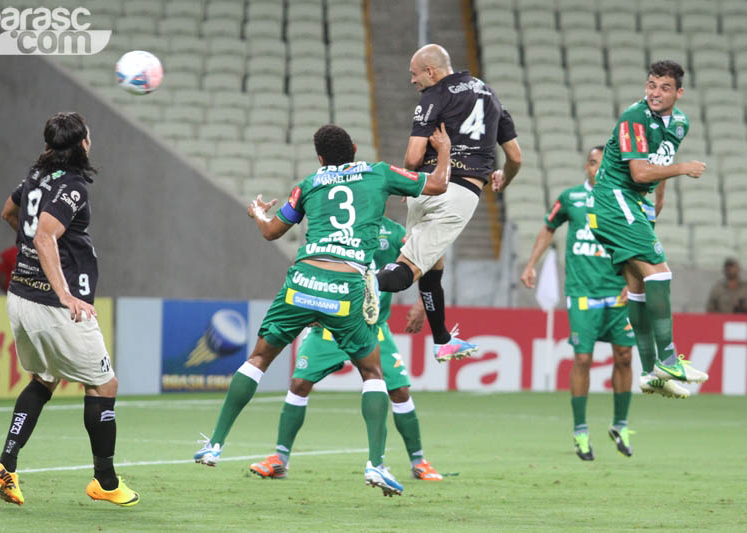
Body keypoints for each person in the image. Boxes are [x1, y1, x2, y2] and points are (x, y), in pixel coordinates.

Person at [193, 124, 452, 497]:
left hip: (302, 281)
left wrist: (257, 212)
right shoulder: (378, 173)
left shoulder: (309, 183)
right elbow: (439, 185)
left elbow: (271, 231)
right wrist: (443, 149)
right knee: (372, 373)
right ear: (355, 148)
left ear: (320, 158)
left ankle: (215, 444)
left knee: (258, 359)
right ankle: (375, 464)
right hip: (345, 287)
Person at [0, 112, 138, 507]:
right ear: (82, 144)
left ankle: (6, 465)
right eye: (89, 135)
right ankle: (105, 482)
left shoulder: (36, 176)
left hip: (20, 295)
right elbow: (44, 237)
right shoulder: (72, 186)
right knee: (104, 385)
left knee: (45, 378)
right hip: (54, 306)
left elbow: (8, 213)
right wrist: (66, 294)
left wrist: (35, 254)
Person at [249, 216, 442, 482]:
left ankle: (419, 462)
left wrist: (422, 304)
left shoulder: (394, 233)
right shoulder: (334, 226)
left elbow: (428, 257)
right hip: (330, 324)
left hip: (372, 327)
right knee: (299, 383)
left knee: (399, 391)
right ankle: (279, 459)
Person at [374, 43, 522, 363]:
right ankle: (350, 288)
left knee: (431, 266)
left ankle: (442, 340)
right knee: (409, 269)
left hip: (426, 187)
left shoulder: (435, 95)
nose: (412, 81)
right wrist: (505, 178)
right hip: (459, 193)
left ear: (430, 71)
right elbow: (515, 157)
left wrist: (409, 180)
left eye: (414, 74)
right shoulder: (491, 97)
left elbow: (413, 157)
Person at [586, 60, 709, 396]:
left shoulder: (680, 123)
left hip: (631, 204)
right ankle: (668, 359)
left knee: (638, 284)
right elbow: (640, 173)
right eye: (651, 85)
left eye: (664, 87)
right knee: (660, 273)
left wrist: (657, 203)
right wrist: (684, 168)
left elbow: (659, 163)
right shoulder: (634, 118)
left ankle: (650, 373)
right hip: (614, 200)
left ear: (679, 93)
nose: (655, 93)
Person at [521, 146, 639, 461]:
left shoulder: (624, 199)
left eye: (603, 164)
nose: (597, 169)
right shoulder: (571, 198)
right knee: (583, 359)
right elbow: (548, 227)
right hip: (583, 292)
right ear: (586, 167)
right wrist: (531, 263)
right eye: (593, 163)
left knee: (625, 357)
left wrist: (634, 281)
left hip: (617, 291)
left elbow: (638, 241)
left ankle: (620, 424)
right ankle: (580, 431)